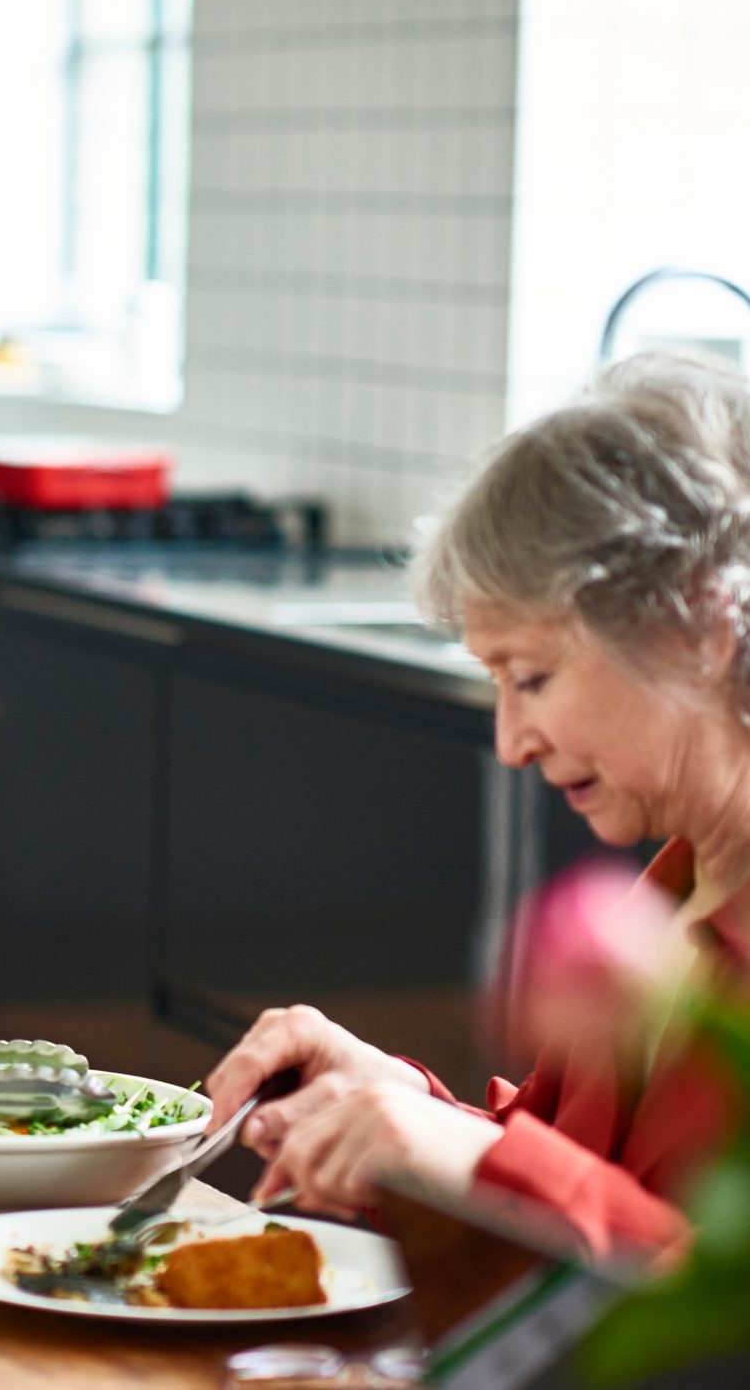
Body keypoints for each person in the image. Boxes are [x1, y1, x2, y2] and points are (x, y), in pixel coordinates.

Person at [203, 351, 750, 1265]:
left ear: (698, 625)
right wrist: (404, 1106)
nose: (511, 741)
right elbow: (567, 1175)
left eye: (531, 677)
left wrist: (477, 1160)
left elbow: (716, 1308)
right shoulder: (673, 889)